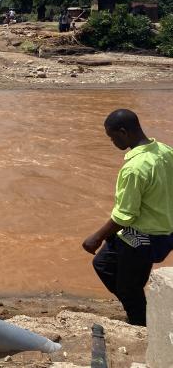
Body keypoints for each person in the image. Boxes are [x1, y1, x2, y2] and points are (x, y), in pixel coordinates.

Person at [82, 109, 173, 326]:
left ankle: (142, 323)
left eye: (112, 137)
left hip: (143, 236)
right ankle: (140, 308)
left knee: (129, 288)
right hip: (163, 230)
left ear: (123, 132)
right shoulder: (165, 150)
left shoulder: (134, 168)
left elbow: (125, 215)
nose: (112, 142)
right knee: (103, 264)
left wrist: (96, 237)